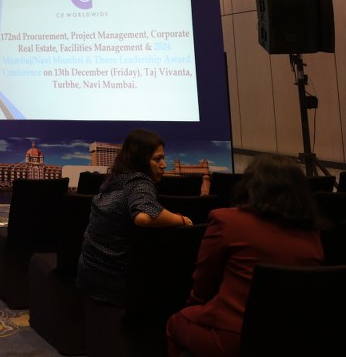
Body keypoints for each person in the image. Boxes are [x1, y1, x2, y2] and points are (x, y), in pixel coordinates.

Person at [165, 155, 323, 357]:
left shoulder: (227, 221)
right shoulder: (312, 234)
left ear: (250, 186)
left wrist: (194, 309)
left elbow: (204, 283)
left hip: (233, 337)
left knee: (175, 323)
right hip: (292, 337)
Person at [77, 129, 194, 312]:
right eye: (157, 159)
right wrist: (182, 220)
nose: (164, 165)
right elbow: (145, 217)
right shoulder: (140, 182)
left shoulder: (116, 179)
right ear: (141, 160)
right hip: (116, 287)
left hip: (88, 276)